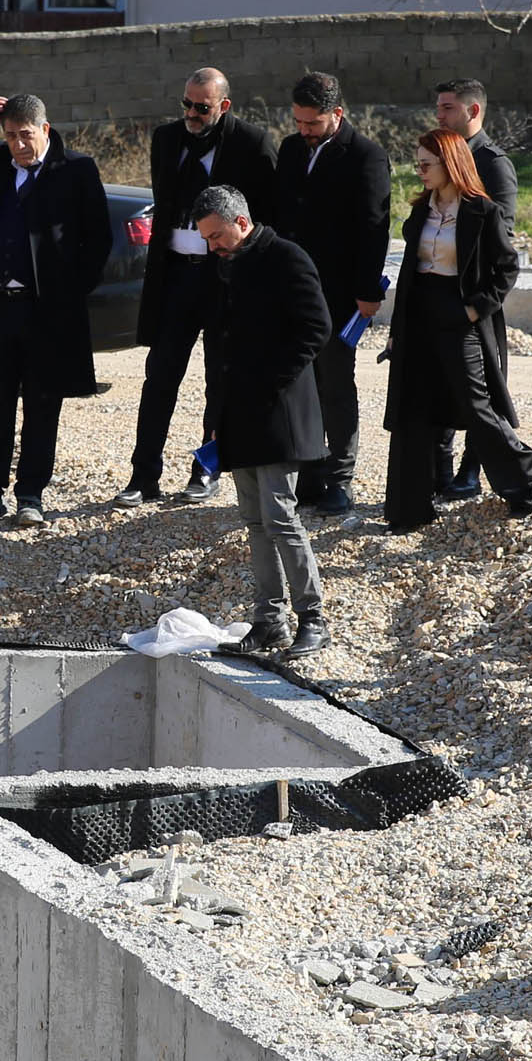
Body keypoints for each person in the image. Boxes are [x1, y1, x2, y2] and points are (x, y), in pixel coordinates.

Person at [0, 93, 113, 527]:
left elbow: (98, 240)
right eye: (11, 135)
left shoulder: (75, 170)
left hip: (47, 312)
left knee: (42, 404)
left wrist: (69, 292)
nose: (18, 144)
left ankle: (31, 494)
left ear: (46, 130)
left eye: (26, 135)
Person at [119, 68, 278, 507]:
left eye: (201, 107)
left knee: (220, 380)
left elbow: (266, 217)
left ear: (223, 106)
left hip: (225, 278)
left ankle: (206, 469)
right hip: (174, 277)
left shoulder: (252, 143)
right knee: (159, 378)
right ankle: (143, 474)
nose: (191, 113)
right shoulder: (167, 140)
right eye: (186, 104)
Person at [383, 132, 532, 534]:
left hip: (458, 314)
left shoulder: (482, 211)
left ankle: (529, 483)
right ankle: (409, 510)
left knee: (477, 406)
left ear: (451, 163)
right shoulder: (421, 210)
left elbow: (506, 267)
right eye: (418, 164)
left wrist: (476, 308)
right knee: (412, 408)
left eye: (427, 164)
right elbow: (410, 271)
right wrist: (397, 329)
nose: (420, 172)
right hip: (418, 312)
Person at [189, 185, 333, 659]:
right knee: (254, 521)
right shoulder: (226, 266)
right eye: (207, 240)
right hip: (239, 412)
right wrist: (218, 415)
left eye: (217, 236)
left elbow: (316, 326)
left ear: (242, 223)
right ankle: (268, 621)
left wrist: (271, 382)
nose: (213, 246)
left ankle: (313, 618)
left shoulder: (286, 258)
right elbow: (222, 344)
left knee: (280, 518)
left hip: (278, 411)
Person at [268, 72, 394, 517]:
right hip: (290, 289)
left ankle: (340, 479)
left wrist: (365, 293)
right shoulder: (289, 150)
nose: (304, 131)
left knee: (336, 385)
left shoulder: (366, 157)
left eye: (312, 124)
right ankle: (309, 475)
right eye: (299, 122)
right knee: (298, 384)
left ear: (336, 115)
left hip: (338, 292)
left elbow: (374, 227)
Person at [431, 77, 519, 501]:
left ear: (473, 111)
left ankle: (472, 470)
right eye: (439, 107)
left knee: (479, 390)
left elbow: (503, 238)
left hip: (475, 300)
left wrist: (477, 303)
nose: (440, 115)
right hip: (439, 291)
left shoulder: (492, 162)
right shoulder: (439, 155)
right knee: (441, 384)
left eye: (448, 108)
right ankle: (441, 472)